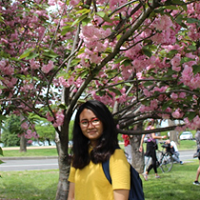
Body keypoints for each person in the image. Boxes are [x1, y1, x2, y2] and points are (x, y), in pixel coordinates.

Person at [67, 100, 130, 200]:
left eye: (95, 120)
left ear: (104, 122)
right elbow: (72, 196)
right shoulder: (78, 156)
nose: (90, 126)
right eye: (84, 122)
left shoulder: (116, 156)